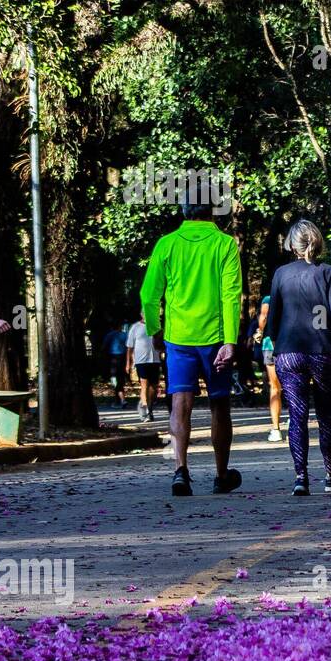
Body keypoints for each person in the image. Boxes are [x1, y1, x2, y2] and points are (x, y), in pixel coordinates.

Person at [139, 195, 243, 497]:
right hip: (215, 337)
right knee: (219, 404)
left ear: (184, 213)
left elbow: (149, 295)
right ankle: (221, 474)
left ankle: (180, 470)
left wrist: (155, 330)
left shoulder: (167, 244)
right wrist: (230, 341)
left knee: (179, 403)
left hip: (178, 337)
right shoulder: (224, 244)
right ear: (212, 213)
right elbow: (231, 295)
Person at [266, 220, 331, 495]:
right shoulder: (328, 272)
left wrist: (276, 340)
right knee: (326, 415)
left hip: (289, 352)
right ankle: (330, 475)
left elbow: (272, 320)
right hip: (323, 351)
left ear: (292, 244)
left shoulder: (281, 274)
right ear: (316, 242)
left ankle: (300, 477)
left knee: (297, 414)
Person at [252, 294, 285, 442]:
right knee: (293, 385)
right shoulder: (293, 296)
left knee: (275, 387)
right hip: (290, 343)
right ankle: (294, 420)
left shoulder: (268, 299)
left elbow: (264, 316)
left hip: (270, 345)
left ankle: (276, 429)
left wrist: (259, 331)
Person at [124, 311, 161, 422]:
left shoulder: (157, 327)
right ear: (142, 314)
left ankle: (145, 404)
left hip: (155, 360)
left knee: (153, 388)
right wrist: (128, 363)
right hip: (141, 361)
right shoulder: (135, 327)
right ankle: (145, 411)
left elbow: (161, 343)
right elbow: (129, 347)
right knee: (144, 386)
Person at [101, 322, 129, 408]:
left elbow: (104, 346)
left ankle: (121, 399)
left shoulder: (110, 335)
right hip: (123, 358)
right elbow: (128, 346)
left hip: (113, 358)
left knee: (114, 379)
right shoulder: (125, 335)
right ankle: (120, 399)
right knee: (120, 379)